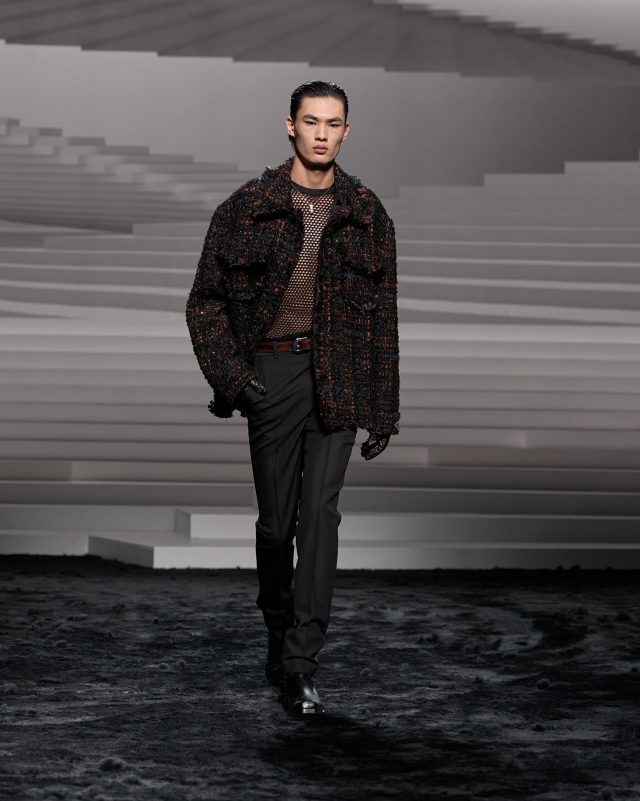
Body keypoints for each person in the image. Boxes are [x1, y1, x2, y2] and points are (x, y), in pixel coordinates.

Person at [185, 80, 400, 717]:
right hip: (271, 374)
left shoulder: (367, 214)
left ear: (346, 131)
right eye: (311, 122)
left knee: (320, 518)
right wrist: (233, 379)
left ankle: (303, 664)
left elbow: (382, 320)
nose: (322, 134)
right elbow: (205, 303)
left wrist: (382, 406)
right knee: (278, 527)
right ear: (290, 126)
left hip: (338, 375)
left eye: (333, 124)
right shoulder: (247, 208)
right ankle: (279, 635)